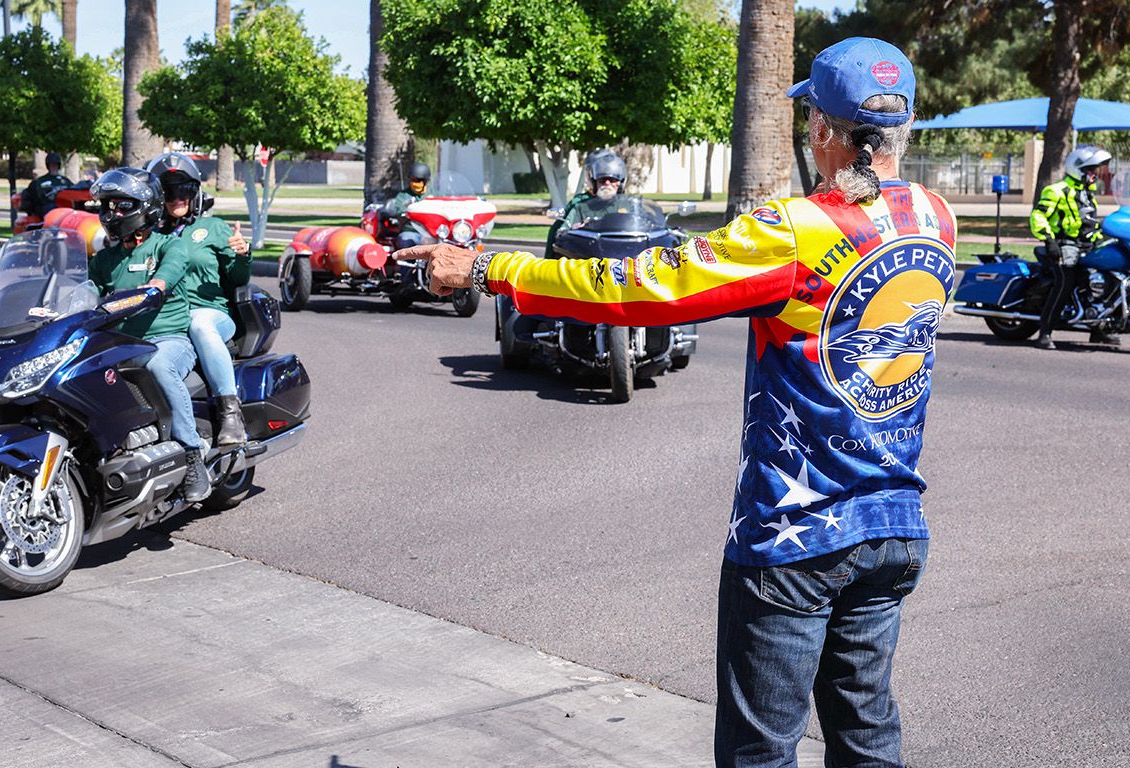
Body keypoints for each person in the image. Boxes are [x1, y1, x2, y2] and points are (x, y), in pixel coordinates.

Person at [401, 37, 954, 768]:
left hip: (798, 535)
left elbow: (637, 288)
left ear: (821, 129)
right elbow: (871, 203)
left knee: (760, 751)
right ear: (903, 128)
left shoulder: (794, 231)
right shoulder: (938, 217)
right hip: (895, 527)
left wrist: (487, 265)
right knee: (868, 739)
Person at [87, 167, 210, 502]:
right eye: (108, 206)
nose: (112, 213)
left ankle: (191, 454)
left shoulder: (170, 246)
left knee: (159, 366)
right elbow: (86, 291)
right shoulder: (104, 259)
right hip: (120, 345)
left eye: (122, 205)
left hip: (168, 340)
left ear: (147, 206)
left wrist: (156, 285)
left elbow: (170, 272)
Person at [146, 152, 252, 446]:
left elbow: (237, 278)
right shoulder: (149, 235)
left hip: (211, 314)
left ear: (195, 193)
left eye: (185, 190)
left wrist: (242, 254)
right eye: (168, 191)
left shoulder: (213, 228)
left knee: (199, 322)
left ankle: (230, 412)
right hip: (168, 320)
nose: (177, 198)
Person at [1029, 145, 1115, 349]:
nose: (1095, 175)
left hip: (1087, 247)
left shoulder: (1087, 193)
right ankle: (1045, 332)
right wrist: (1049, 241)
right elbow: (1038, 216)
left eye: (1096, 170)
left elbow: (1089, 223)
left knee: (1103, 280)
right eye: (1091, 170)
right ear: (1078, 169)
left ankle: (1098, 328)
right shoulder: (1057, 190)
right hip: (1063, 246)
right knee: (1066, 282)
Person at [543, 148, 624, 253]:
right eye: (602, 178)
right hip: (587, 255)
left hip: (620, 254)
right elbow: (562, 232)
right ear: (592, 178)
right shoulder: (580, 203)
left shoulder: (627, 203)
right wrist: (576, 228)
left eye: (613, 179)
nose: (607, 183)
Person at [383, 162, 431, 249]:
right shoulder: (403, 196)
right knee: (406, 241)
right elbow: (400, 214)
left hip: (432, 232)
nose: (415, 183)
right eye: (413, 180)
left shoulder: (433, 194)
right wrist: (407, 209)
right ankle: (407, 262)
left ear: (425, 181)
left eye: (419, 180)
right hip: (412, 231)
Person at [20, 152, 73, 217]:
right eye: (52, 165)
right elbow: (33, 196)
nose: (54, 167)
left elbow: (74, 190)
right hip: (47, 208)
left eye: (55, 164)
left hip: (64, 207)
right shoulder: (40, 181)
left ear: (58, 165)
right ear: (48, 166)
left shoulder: (65, 181)